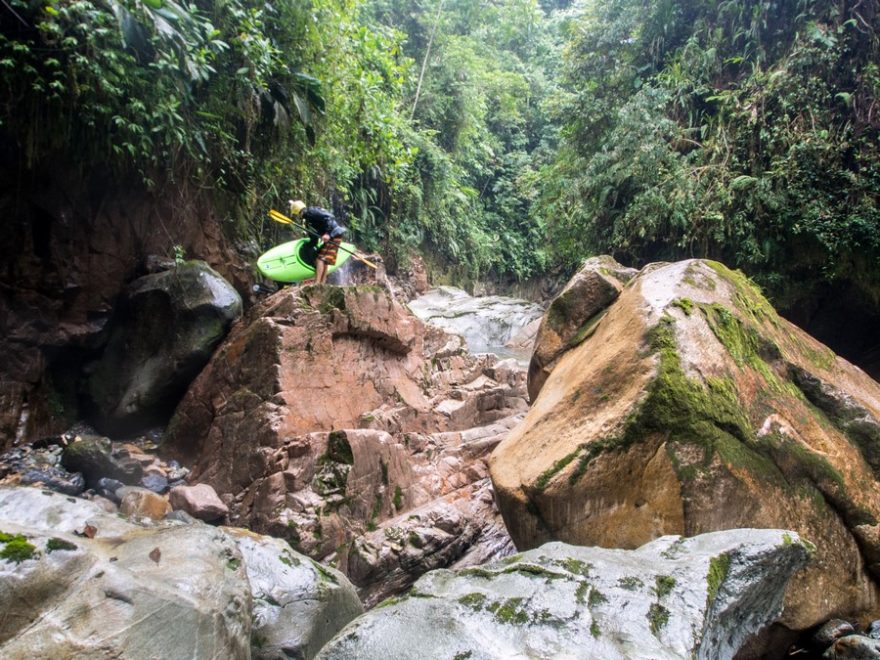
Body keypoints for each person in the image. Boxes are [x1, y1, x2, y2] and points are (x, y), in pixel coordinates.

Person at [289, 199, 346, 285]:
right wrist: (308, 246)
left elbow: (329, 217)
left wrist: (327, 234)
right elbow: (314, 237)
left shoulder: (312, 211)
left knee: (320, 259)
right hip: (333, 235)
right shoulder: (308, 219)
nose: (298, 216)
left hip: (334, 234)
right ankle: (322, 283)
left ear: (298, 212)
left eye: (297, 214)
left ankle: (317, 283)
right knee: (323, 259)